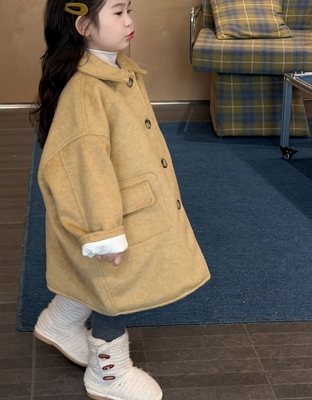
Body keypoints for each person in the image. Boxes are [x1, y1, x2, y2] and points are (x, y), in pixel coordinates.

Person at [30, 0, 211, 399]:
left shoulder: (118, 71)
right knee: (115, 289)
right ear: (83, 26)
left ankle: (60, 321)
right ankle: (107, 373)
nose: (129, 21)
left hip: (129, 200)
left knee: (104, 279)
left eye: (129, 10)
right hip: (109, 213)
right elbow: (84, 169)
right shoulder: (86, 91)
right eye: (117, 13)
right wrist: (104, 231)